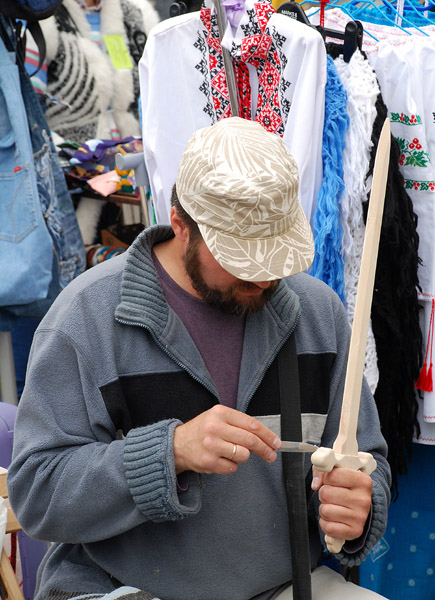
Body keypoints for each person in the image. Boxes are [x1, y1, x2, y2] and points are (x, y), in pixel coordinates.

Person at [8, 117, 391, 600]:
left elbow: (366, 457)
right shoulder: (86, 318)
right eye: (240, 258)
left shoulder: (316, 313)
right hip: (121, 588)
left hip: (285, 585)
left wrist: (357, 506)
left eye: (273, 256)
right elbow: (37, 495)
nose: (264, 279)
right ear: (181, 225)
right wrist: (170, 452)